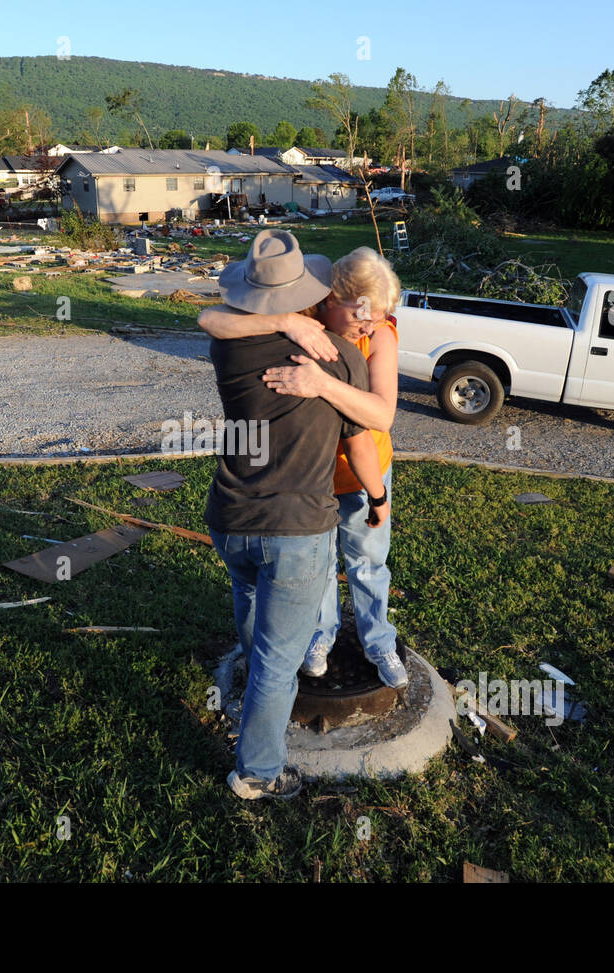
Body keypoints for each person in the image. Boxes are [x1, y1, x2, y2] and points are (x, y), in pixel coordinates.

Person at [204, 229, 389, 801]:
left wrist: (280, 325)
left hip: (231, 516)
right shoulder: (345, 358)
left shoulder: (230, 344)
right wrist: (377, 498)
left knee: (253, 612)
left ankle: (249, 696)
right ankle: (256, 773)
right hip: (297, 529)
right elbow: (366, 440)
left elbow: (212, 317)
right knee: (280, 662)